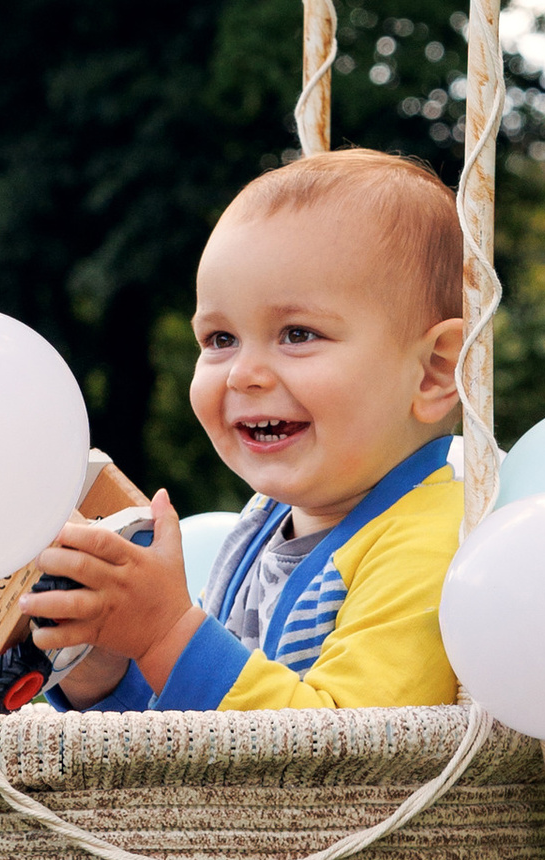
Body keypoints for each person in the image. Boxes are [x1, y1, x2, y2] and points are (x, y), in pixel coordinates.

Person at [26, 147, 466, 715]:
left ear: (432, 372)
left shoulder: (434, 540)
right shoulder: (262, 528)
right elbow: (191, 736)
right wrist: (105, 670)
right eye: (219, 339)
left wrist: (164, 635)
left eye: (298, 334)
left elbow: (348, 761)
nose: (243, 374)